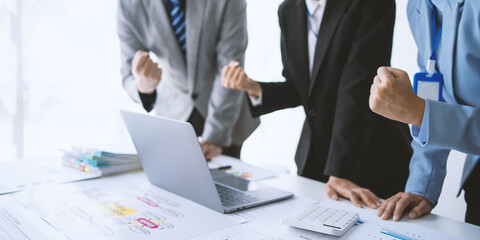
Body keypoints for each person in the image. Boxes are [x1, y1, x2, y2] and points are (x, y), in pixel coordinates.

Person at [222, 0, 412, 209]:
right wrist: (253, 87)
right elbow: (300, 88)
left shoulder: (371, 4)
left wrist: (341, 172)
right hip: (318, 159)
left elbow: (357, 88)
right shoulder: (288, 10)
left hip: (370, 156)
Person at [370, 0, 480, 226]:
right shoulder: (419, 7)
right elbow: (434, 91)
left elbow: (427, 108)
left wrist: (420, 113)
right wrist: (422, 186)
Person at [117, 0, 259, 159]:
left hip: (225, 118)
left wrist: (215, 137)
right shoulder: (129, 4)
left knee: (223, 181)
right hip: (173, 116)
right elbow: (128, 74)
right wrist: (143, 88)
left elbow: (230, 69)